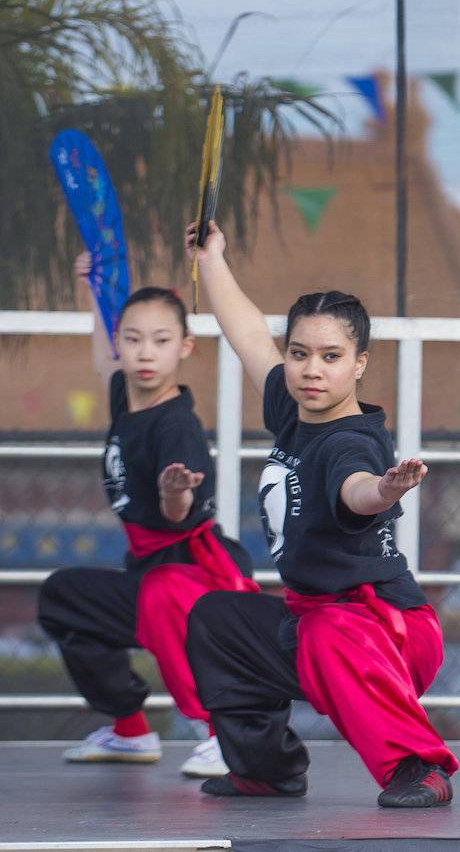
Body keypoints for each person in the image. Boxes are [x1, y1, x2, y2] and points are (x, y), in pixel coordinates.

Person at [182, 221, 458, 807]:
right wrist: (212, 260)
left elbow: (355, 491)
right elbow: (249, 332)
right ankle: (267, 768)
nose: (312, 369)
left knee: (327, 630)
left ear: (359, 364)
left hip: (385, 631)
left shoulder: (350, 442)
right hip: (312, 622)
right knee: (215, 618)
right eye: (299, 354)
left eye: (331, 357)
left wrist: (383, 491)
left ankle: (421, 769)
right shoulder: (291, 405)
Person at [39, 255, 255, 779]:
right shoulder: (126, 394)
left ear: (184, 348)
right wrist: (93, 289)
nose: (144, 353)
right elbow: (102, 357)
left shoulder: (175, 428)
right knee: (65, 600)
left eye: (160, 341)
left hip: (192, 577)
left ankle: (222, 736)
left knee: (165, 599)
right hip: (148, 570)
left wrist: (172, 494)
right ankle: (131, 731)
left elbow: (179, 516)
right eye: (132, 340)